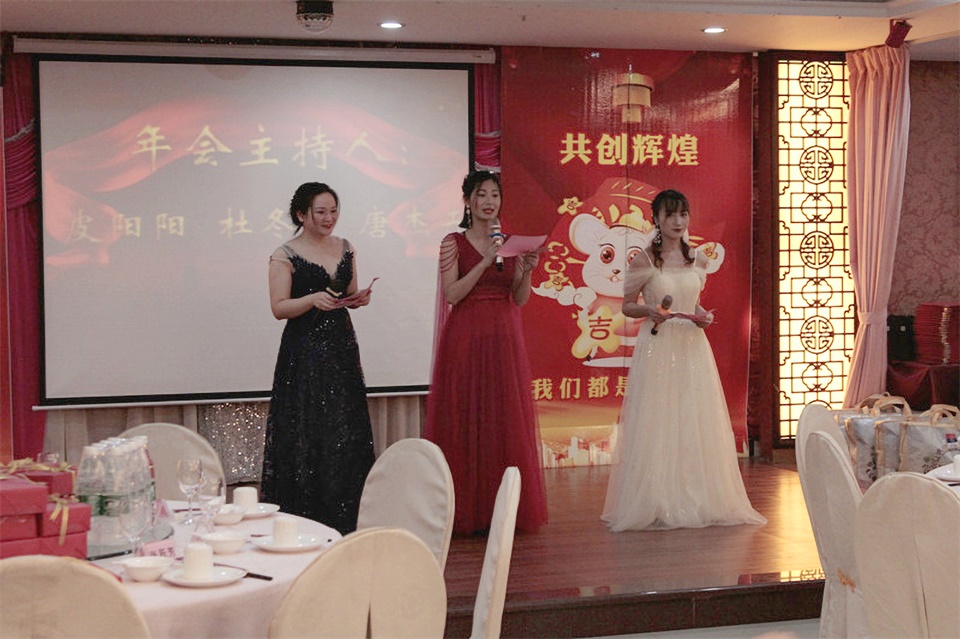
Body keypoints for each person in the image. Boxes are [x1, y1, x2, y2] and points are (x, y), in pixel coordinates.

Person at [601, 189, 766, 531]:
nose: (678, 221)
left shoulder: (698, 259)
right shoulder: (644, 260)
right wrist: (649, 310)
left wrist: (703, 316)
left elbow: (692, 302)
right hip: (659, 345)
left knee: (694, 417)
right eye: (670, 214)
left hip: (692, 345)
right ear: (656, 220)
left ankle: (697, 497)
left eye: (683, 214)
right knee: (659, 420)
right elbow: (627, 305)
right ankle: (658, 499)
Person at [424, 170, 548, 535]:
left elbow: (519, 299)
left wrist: (526, 271)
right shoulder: (452, 242)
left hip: (504, 339)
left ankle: (504, 509)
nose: (489, 201)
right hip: (466, 336)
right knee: (465, 418)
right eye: (481, 194)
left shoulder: (512, 244)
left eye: (495, 194)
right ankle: (465, 510)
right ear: (467, 201)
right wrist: (484, 261)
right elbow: (452, 294)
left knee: (502, 420)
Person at [261, 182, 375, 534]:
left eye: (333, 211)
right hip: (305, 352)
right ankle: (305, 519)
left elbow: (348, 292)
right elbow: (279, 307)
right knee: (308, 428)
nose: (329, 218)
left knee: (344, 428)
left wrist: (358, 299)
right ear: (301, 214)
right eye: (321, 212)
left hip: (342, 348)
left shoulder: (346, 247)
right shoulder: (284, 254)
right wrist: (312, 300)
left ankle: (347, 518)